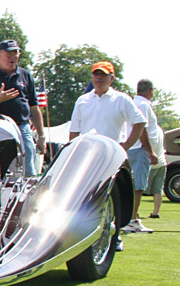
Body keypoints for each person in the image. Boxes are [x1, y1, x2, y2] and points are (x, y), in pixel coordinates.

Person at [68, 62, 147, 247]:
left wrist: (127, 144)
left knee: (113, 198)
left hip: (113, 158)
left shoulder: (122, 99)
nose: (99, 78)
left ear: (112, 78)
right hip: (87, 157)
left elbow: (139, 122)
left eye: (103, 75)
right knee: (86, 198)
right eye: (96, 74)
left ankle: (115, 236)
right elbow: (74, 130)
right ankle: (83, 237)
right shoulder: (83, 100)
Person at [0, 39, 45, 176]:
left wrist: (41, 136)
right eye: (8, 53)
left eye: (15, 53)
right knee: (3, 172)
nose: (12, 57)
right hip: (0, 129)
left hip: (23, 127)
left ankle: (27, 194)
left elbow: (34, 108)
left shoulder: (26, 75)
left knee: (29, 171)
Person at [124, 79, 159, 232]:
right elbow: (141, 128)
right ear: (150, 90)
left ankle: (132, 216)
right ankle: (132, 219)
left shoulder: (134, 102)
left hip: (134, 148)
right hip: (139, 149)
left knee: (135, 185)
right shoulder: (143, 105)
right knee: (138, 186)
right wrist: (151, 151)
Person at [146, 123, 167, 219]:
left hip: (150, 163)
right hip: (162, 161)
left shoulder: (148, 129)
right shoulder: (159, 129)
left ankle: (135, 212)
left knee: (138, 188)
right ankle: (156, 212)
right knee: (158, 189)